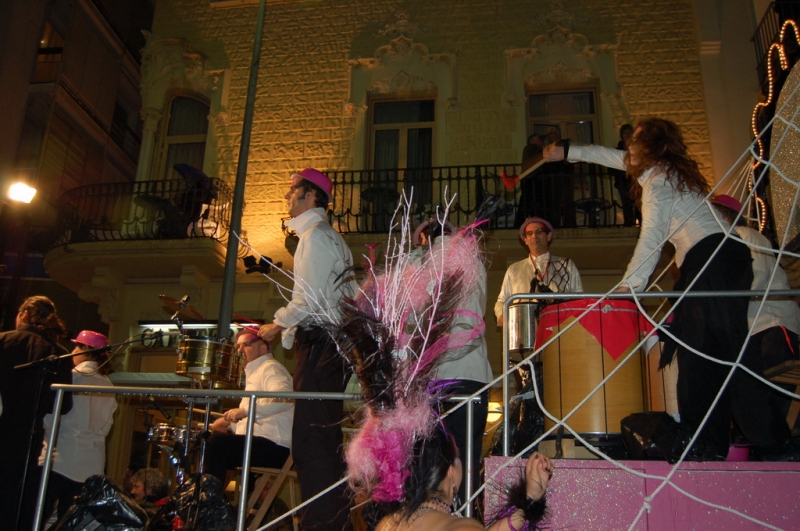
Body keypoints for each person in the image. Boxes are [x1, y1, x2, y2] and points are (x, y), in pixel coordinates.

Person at [544, 117, 754, 462]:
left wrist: (627, 288)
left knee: (701, 355)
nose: (629, 146)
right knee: (715, 353)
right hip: (722, 260)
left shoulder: (659, 180)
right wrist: (568, 152)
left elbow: (652, 237)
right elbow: (610, 157)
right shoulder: (663, 171)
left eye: (636, 140)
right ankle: (722, 441)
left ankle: (707, 441)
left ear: (652, 145)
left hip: (710, 258)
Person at [258, 168, 357, 531]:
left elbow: (310, 299)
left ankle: (322, 524)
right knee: (322, 439)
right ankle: (333, 522)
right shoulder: (328, 237)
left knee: (311, 441)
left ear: (311, 195)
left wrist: (278, 324)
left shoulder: (315, 238)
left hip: (321, 346)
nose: (287, 197)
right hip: (330, 346)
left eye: (292, 190)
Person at [711, 195, 800, 460]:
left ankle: (777, 446)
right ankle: (775, 447)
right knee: (744, 388)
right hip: (751, 328)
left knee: (764, 383)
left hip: (771, 324)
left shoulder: (746, 235)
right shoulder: (723, 244)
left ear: (724, 216)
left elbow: (756, 279)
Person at [418, 219, 493, 512]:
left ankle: (439, 518)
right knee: (467, 456)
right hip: (471, 373)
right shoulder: (473, 261)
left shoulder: (428, 265)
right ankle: (465, 516)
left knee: (435, 458)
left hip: (441, 374)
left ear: (425, 239)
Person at [372, 425, 551, 531]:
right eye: (458, 457)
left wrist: (530, 501)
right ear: (450, 472)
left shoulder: (387, 525)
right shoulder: (462, 527)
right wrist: (530, 501)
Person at [0, 295, 73, 531]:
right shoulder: (59, 354)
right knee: (15, 500)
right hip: (27, 438)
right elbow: (64, 405)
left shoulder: (4, 341)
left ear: (24, 314)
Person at [38, 330, 117, 522]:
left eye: (76, 347)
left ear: (85, 349)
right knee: (71, 522)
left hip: (60, 459)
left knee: (38, 516)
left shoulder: (73, 378)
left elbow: (50, 419)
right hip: (91, 465)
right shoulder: (109, 386)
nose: (73, 351)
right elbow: (106, 426)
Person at [206, 329, 293, 483]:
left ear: (263, 348)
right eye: (238, 346)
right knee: (208, 441)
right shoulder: (257, 372)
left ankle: (211, 493)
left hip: (276, 446)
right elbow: (256, 419)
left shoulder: (270, 368)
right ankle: (211, 490)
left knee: (216, 443)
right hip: (266, 443)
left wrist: (244, 411)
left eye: (246, 345)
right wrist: (230, 425)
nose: (240, 350)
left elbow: (284, 399)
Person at [495, 216, 583, 328]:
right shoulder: (514, 269)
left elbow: (579, 299)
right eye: (529, 233)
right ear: (525, 240)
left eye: (539, 232)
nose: (534, 236)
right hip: (525, 329)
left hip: (559, 329)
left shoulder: (566, 265)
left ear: (549, 236)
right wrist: (502, 315)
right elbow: (502, 301)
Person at [611, 124, 640, 227]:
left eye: (629, 132)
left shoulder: (639, 149)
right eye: (625, 133)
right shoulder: (618, 150)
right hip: (623, 182)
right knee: (626, 204)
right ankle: (628, 223)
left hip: (637, 181)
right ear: (621, 136)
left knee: (639, 203)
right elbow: (612, 167)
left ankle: (641, 222)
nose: (627, 135)